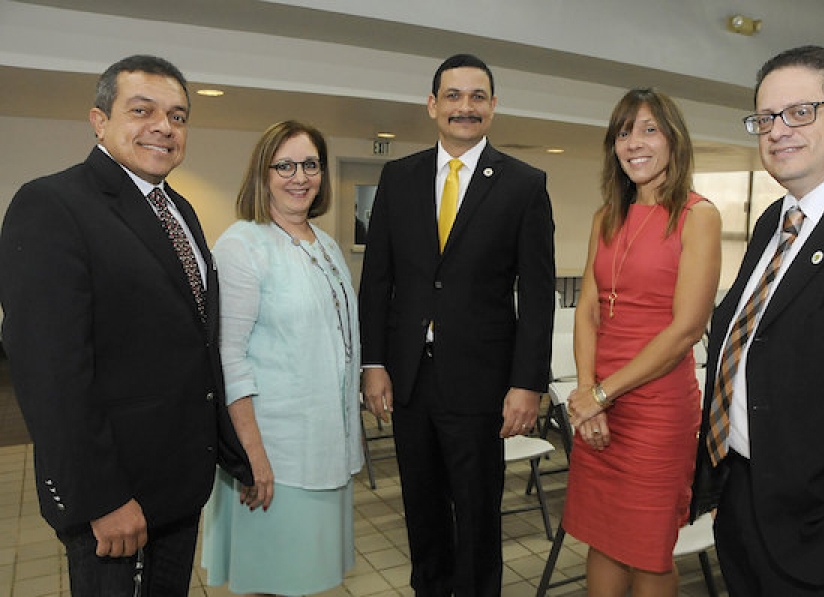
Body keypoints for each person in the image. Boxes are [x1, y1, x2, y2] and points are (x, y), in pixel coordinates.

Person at [0, 55, 251, 596]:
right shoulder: (52, 204)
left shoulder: (178, 209)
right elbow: (50, 372)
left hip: (178, 487)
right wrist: (101, 498)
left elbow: (194, 341)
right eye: (142, 111)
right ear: (99, 121)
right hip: (115, 499)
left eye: (178, 116)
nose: (164, 126)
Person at [693, 45, 824, 596]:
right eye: (765, 118)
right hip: (744, 501)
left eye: (800, 112)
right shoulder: (774, 219)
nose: (777, 131)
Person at [358, 53, 555, 597]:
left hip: (481, 384)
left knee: (476, 516)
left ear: (492, 106)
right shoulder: (399, 177)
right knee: (422, 513)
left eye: (476, 97)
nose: (464, 107)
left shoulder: (524, 184)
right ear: (432, 105)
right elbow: (377, 281)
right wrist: (373, 363)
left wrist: (528, 383)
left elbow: (538, 296)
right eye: (453, 96)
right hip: (409, 379)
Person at [563, 88, 722, 597]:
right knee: (603, 538)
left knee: (648, 550)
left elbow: (686, 330)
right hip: (598, 403)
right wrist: (586, 393)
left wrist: (601, 393)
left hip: (656, 408)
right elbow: (587, 309)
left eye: (649, 130)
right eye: (624, 132)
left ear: (674, 140)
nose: (634, 143)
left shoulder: (698, 216)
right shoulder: (606, 217)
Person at [201, 120, 362, 596]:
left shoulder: (324, 243)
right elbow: (228, 356)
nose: (300, 177)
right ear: (263, 174)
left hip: (325, 447)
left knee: (306, 581)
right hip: (276, 454)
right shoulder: (242, 245)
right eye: (285, 166)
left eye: (310, 164)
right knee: (272, 583)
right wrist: (252, 455)